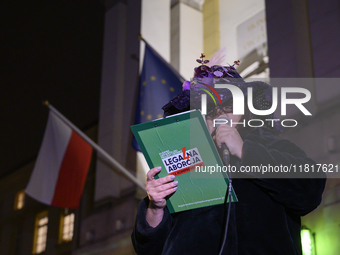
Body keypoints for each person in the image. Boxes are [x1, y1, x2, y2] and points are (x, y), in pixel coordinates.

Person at [131, 56, 326, 255]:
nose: (220, 113)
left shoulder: (274, 147)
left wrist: (245, 152)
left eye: (229, 105)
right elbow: (148, 249)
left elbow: (310, 191)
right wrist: (155, 207)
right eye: (210, 107)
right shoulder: (181, 160)